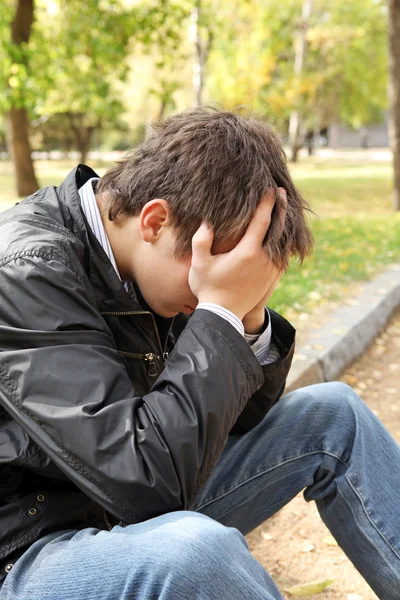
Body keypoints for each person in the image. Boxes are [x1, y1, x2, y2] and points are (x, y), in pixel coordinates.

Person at [0, 107, 399, 600]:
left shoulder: (155, 262)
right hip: (29, 553)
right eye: (214, 272)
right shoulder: (25, 271)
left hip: (130, 505)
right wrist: (217, 315)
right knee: (195, 553)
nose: (214, 287)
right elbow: (145, 485)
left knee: (335, 415)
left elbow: (232, 423)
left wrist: (246, 319)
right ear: (155, 221)